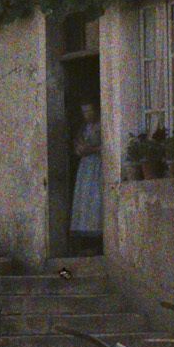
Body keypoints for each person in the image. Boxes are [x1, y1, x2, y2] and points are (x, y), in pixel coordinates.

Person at [70, 101, 103, 256]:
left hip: (97, 165)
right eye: (84, 112)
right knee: (84, 202)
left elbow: (106, 145)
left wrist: (92, 149)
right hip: (85, 167)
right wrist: (80, 149)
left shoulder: (101, 126)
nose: (87, 115)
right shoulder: (83, 129)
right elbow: (77, 147)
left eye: (90, 111)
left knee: (96, 201)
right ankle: (85, 243)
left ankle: (97, 242)